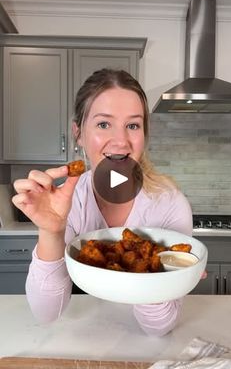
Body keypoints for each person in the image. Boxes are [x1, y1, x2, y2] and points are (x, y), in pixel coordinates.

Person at [12, 68, 193, 336]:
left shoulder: (169, 203)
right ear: (78, 133)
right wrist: (51, 230)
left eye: (133, 125)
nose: (120, 141)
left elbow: (159, 328)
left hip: (143, 343)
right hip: (83, 335)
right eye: (103, 124)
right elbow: (46, 313)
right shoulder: (68, 200)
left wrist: (158, 271)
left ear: (144, 134)